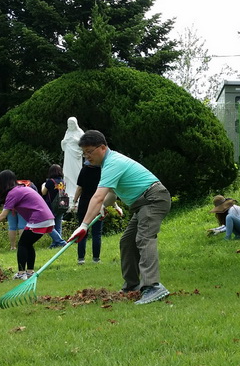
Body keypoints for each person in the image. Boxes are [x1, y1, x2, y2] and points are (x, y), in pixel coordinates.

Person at [70, 130, 170, 305]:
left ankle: (153, 287)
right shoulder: (108, 163)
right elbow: (111, 194)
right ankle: (132, 286)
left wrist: (84, 225)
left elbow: (98, 196)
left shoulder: (113, 163)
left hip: (153, 199)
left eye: (89, 152)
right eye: (84, 153)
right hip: (142, 204)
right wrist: (102, 207)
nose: (86, 157)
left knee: (144, 238)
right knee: (127, 242)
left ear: (102, 147)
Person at [0, 170, 56, 281]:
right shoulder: (22, 188)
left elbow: (3, 215)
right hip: (47, 218)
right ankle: (30, 272)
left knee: (22, 244)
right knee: (28, 244)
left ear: (3, 183)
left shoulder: (13, 193)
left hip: (38, 219)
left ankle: (21, 273)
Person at [72, 159, 103, 265]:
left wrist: (74, 201)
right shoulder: (102, 171)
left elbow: (79, 188)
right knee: (96, 233)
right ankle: (96, 258)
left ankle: (81, 258)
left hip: (84, 203)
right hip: (97, 203)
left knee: (82, 232)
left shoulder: (84, 170)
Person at [40, 164, 67, 248]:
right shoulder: (63, 181)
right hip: (61, 205)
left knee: (47, 225)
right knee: (58, 225)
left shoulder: (50, 182)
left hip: (51, 206)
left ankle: (61, 242)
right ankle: (55, 244)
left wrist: (43, 186)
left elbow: (43, 192)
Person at [61, 117, 84, 198]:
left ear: (75, 124)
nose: (70, 125)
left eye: (72, 124)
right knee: (68, 172)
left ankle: (76, 192)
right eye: (69, 124)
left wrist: (75, 140)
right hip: (68, 155)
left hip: (76, 156)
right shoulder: (67, 132)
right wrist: (64, 142)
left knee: (76, 172)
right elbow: (63, 145)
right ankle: (68, 191)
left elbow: (84, 144)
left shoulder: (80, 132)